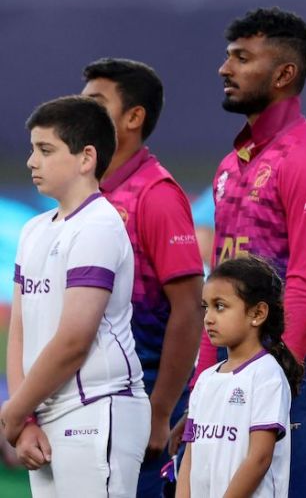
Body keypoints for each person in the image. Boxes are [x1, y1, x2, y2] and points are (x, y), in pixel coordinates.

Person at [200, 7, 306, 497]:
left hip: (299, 375)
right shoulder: (231, 165)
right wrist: (205, 383)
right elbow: (217, 292)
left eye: (242, 58)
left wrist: (279, 377)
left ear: (284, 73)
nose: (226, 69)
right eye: (228, 57)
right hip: (236, 376)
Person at [3, 95, 149, 496]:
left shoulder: (99, 225)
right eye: (33, 149)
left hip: (98, 410)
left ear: (87, 158)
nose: (32, 161)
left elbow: (73, 341)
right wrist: (26, 417)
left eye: (46, 150)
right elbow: (21, 331)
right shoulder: (33, 230)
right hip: (42, 417)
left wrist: (12, 415)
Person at [82, 58, 205, 496]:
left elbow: (189, 309)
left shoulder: (156, 195)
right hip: (91, 393)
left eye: (96, 103)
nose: (83, 114)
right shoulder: (88, 193)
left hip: (141, 393)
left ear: (134, 117)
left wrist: (160, 413)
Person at [178, 255, 301, 498]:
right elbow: (189, 458)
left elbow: (260, 458)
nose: (209, 318)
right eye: (206, 307)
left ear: (258, 313)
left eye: (220, 306)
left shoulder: (267, 375)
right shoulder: (205, 379)